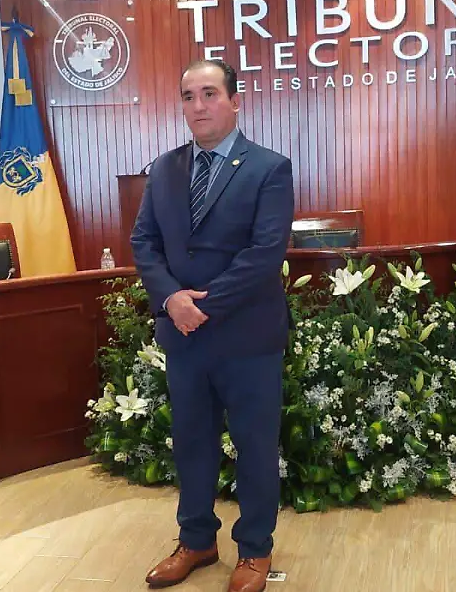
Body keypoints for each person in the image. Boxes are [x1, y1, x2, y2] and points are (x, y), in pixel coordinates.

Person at [130, 58, 294, 592]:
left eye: (209, 94)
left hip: (248, 338)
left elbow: (265, 253)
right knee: (192, 444)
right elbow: (144, 242)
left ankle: (255, 549)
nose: (197, 106)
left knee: (254, 447)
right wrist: (171, 299)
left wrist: (202, 305)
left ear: (234, 101)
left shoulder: (269, 168)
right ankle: (197, 540)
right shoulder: (164, 168)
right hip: (185, 340)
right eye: (188, 96)